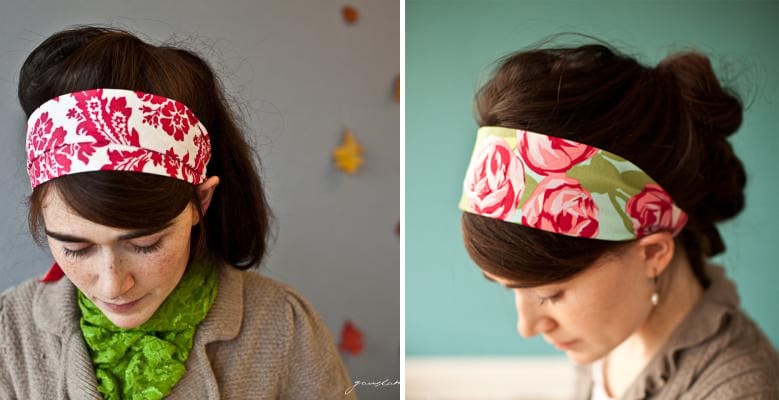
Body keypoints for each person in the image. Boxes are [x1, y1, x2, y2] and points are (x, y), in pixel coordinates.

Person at [1, 25, 355, 399]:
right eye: (75, 248)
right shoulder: (9, 332)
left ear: (200, 203)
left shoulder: (284, 326)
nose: (112, 286)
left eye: (145, 244)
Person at [458, 41, 779, 399]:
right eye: (511, 288)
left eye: (551, 294)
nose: (528, 327)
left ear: (653, 253)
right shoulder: (609, 336)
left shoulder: (735, 390)